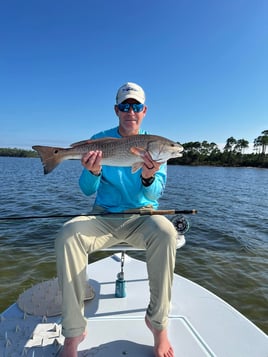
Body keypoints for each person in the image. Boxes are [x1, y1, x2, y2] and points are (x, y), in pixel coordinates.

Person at [55, 82, 178, 357]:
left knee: (167, 232)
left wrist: (147, 175)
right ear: (117, 110)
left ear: (144, 111)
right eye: (125, 106)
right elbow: (87, 189)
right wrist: (93, 170)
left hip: (143, 217)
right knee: (67, 234)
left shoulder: (156, 147)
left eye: (136, 106)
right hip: (103, 217)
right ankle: (74, 333)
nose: (130, 111)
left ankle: (158, 326)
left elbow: (155, 191)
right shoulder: (100, 138)